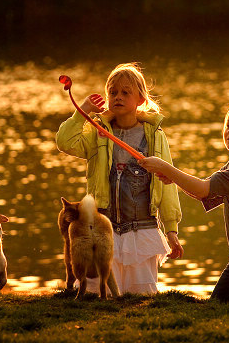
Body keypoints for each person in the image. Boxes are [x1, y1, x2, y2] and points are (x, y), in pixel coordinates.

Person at [141, 99, 229, 305]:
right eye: (228, 125)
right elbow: (206, 193)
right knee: (216, 310)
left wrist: (166, 168)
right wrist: (172, 177)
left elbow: (202, 188)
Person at [56, 63, 184, 294]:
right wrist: (82, 111)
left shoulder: (155, 137)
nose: (118, 97)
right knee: (98, 290)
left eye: (126, 92)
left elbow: (167, 183)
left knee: (140, 293)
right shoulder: (97, 133)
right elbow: (64, 142)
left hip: (142, 227)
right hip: (104, 228)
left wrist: (172, 229)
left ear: (141, 99)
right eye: (113, 92)